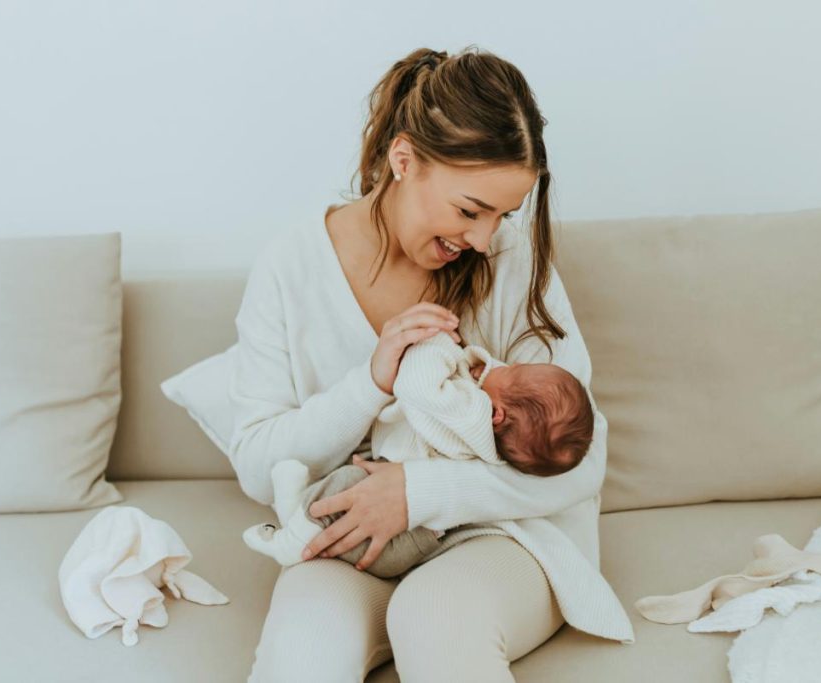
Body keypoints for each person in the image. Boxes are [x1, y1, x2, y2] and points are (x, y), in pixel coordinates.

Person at [228, 45, 633, 682]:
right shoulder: (290, 269)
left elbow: (584, 458)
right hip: (355, 546)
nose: (482, 238)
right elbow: (257, 466)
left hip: (506, 534)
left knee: (434, 617)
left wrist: (420, 494)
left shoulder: (510, 260)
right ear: (403, 160)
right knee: (301, 658)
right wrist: (370, 384)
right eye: (470, 210)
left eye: (502, 214)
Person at [239, 329, 595, 578]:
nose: (501, 364)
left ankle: (290, 536)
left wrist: (436, 342)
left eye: (512, 370)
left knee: (347, 486)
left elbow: (416, 385)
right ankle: (298, 516)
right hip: (418, 538)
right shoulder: (497, 446)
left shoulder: (471, 412)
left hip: (391, 528)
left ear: (497, 414)